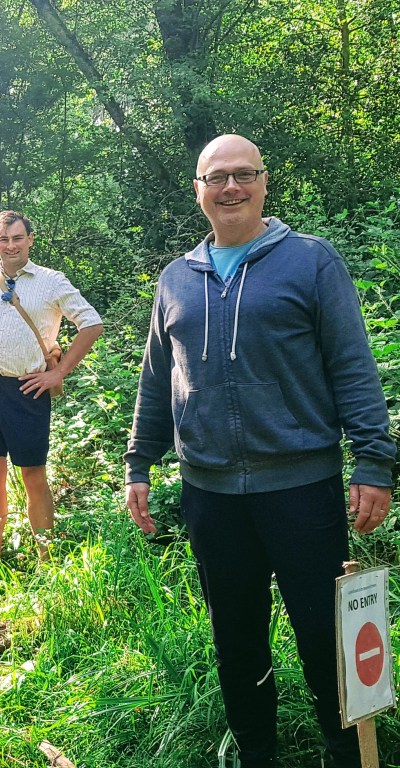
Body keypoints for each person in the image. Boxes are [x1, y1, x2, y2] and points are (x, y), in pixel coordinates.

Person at [124, 135, 395, 768]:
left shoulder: (310, 262)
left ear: (264, 183)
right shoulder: (176, 279)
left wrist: (374, 461)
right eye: (215, 177)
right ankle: (257, 755)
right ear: (198, 190)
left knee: (325, 637)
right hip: (211, 496)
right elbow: (156, 381)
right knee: (236, 639)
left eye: (243, 174)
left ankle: (345, 752)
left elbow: (352, 367)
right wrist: (140, 462)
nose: (230, 187)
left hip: (303, 490)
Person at [0, 210, 103, 587]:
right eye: (4, 240)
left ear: (30, 239)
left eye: (17, 238)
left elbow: (91, 323)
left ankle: (46, 563)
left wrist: (58, 372)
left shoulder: (51, 282)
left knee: (33, 475)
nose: (11, 246)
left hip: (27, 389)